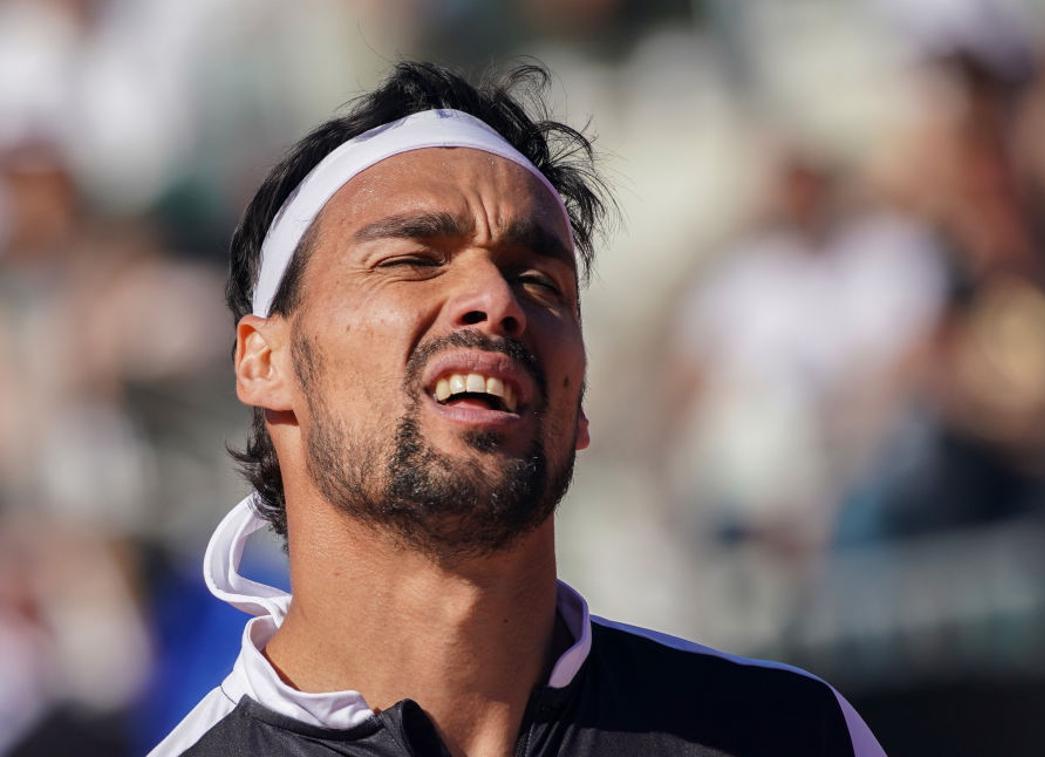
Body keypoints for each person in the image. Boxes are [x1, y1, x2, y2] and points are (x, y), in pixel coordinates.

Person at [150, 61, 885, 757]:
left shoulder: (794, 735)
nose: (496, 302)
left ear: (580, 396)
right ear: (262, 361)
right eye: (414, 259)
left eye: (539, 282)